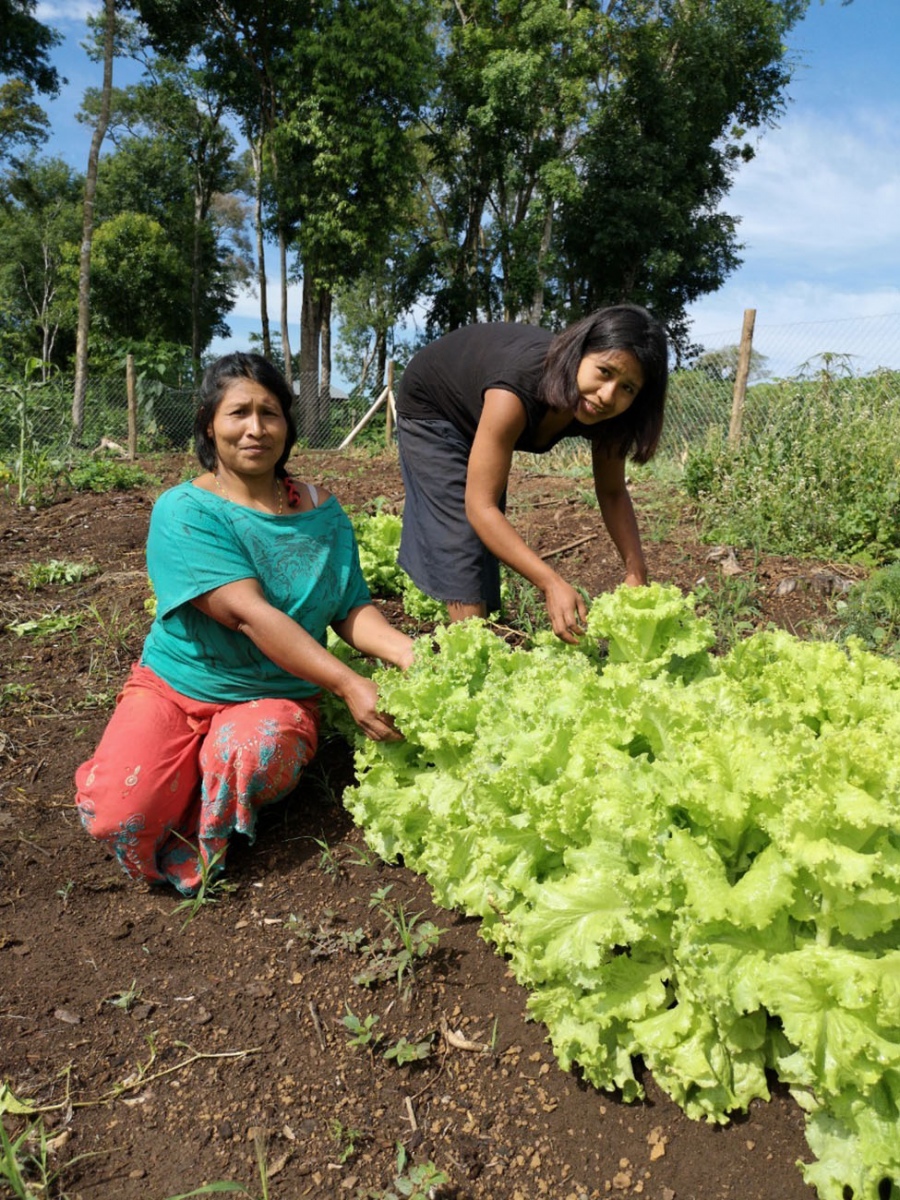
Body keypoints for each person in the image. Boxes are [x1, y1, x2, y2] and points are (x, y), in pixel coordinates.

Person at [75, 352, 414, 895]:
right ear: (210, 424)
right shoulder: (185, 511)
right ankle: (172, 771)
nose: (256, 428)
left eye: (270, 413)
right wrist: (350, 683)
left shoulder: (322, 512)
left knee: (252, 753)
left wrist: (408, 653)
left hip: (274, 694)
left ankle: (215, 782)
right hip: (177, 687)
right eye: (238, 413)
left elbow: (350, 607)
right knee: (122, 814)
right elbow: (249, 615)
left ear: (288, 424)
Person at [395, 304, 668, 643]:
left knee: (484, 538)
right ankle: (468, 652)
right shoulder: (519, 384)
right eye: (604, 372)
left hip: (480, 399)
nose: (608, 395)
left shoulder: (608, 415)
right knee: (461, 528)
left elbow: (612, 492)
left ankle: (480, 633)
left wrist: (636, 571)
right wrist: (550, 582)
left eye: (628, 388)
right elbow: (480, 507)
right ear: (579, 353)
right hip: (433, 404)